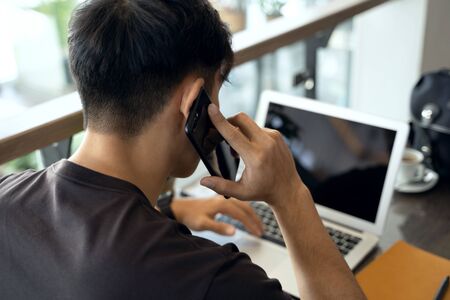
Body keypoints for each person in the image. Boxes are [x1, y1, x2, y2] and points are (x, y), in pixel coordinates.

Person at [0, 0, 366, 299]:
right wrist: (289, 193)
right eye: (218, 89)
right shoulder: (207, 277)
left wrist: (168, 209)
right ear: (193, 101)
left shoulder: (7, 197)